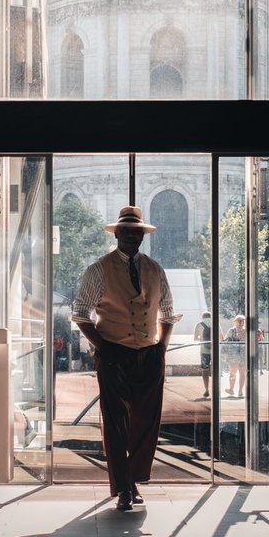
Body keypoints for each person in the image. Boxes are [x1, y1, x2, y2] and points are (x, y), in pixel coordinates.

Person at [71, 205, 181, 511]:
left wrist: (161, 348)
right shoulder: (99, 269)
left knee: (147, 421)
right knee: (116, 422)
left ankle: (133, 479)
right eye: (127, 231)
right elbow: (80, 314)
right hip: (113, 352)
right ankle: (123, 488)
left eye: (137, 232)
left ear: (142, 236)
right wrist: (101, 346)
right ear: (117, 233)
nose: (132, 236)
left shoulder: (155, 269)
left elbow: (169, 313)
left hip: (149, 353)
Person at [222, 314, 247, 397]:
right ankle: (240, 391)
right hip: (243, 354)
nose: (240, 323)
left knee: (232, 373)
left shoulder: (231, 330)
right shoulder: (246, 331)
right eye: (239, 321)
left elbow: (225, 341)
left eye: (241, 321)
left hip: (233, 354)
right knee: (242, 373)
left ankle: (231, 389)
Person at [194, 311, 213, 398]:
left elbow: (195, 338)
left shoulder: (199, 324)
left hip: (204, 352)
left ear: (203, 317)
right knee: (215, 371)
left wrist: (202, 340)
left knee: (205, 370)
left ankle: (206, 389)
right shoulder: (215, 323)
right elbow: (221, 337)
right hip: (215, 351)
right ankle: (215, 390)